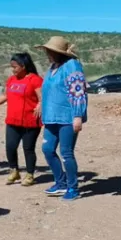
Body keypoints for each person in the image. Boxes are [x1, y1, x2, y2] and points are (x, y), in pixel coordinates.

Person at [36, 36, 88, 201]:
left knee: (66, 152)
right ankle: (61, 182)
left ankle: (73, 187)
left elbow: (78, 91)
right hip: (51, 118)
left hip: (68, 117)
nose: (48, 54)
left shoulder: (72, 66)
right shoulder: (52, 68)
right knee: (47, 149)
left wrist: (78, 115)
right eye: (47, 51)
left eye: (50, 51)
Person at [0, 53, 44, 186]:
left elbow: (42, 96)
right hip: (13, 120)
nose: (13, 69)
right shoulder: (11, 80)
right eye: (11, 67)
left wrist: (40, 105)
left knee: (28, 148)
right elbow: (5, 96)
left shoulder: (35, 79)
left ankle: (30, 174)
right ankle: (14, 171)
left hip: (30, 121)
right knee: (10, 147)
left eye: (15, 67)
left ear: (23, 66)